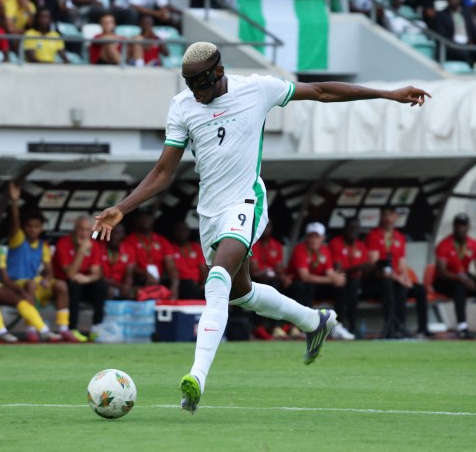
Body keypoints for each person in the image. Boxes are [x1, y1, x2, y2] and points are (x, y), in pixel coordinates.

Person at [91, 41, 430, 413]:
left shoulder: (256, 89)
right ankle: (313, 321)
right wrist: (121, 208)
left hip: (247, 202)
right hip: (211, 212)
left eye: (200, 85)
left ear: (218, 73)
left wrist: (387, 94)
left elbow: (321, 91)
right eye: (189, 85)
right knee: (240, 292)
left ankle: (196, 378)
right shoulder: (183, 107)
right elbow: (162, 172)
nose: (195, 93)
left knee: (217, 280)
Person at [6, 182, 78, 342]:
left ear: (41, 228)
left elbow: (49, 270)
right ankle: (31, 329)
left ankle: (63, 328)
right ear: (25, 228)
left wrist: (46, 278)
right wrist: (15, 202)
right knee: (31, 284)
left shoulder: (43, 245)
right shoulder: (18, 240)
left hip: (34, 284)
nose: (33, 229)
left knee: (60, 285)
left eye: (36, 226)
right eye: (30, 226)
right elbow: (15, 224)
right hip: (16, 284)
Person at [0, 220, 60, 342]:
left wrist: (21, 291)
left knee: (20, 298)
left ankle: (43, 330)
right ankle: (1, 331)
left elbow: (5, 278)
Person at [367, 206, 431, 339]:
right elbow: (375, 263)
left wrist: (406, 277)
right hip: (379, 279)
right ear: (381, 217)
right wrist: (398, 278)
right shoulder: (374, 235)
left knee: (420, 290)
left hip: (396, 279)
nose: (388, 219)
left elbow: (402, 263)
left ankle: (423, 328)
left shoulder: (399, 237)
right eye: (385, 215)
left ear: (396, 217)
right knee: (395, 286)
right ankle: (394, 327)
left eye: (391, 215)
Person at [433, 213, 476, 339]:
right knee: (460, 287)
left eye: (463, 225)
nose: (460, 229)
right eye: (458, 225)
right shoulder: (444, 244)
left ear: (468, 227)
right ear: (454, 226)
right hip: (445, 279)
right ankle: (462, 326)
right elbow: (441, 271)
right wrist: (461, 278)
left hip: (464, 276)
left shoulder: (473, 244)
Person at [288, 222, 351, 339]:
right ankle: (304, 326)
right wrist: (331, 280)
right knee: (304, 285)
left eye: (317, 236)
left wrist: (337, 278)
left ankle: (338, 324)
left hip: (316, 286)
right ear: (306, 237)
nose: (313, 240)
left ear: (323, 238)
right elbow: (304, 276)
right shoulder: (300, 249)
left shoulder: (324, 250)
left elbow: (330, 273)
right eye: (311, 236)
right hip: (297, 288)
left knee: (340, 286)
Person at [53, 216, 108, 340]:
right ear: (75, 229)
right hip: (64, 286)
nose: (84, 233)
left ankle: (96, 327)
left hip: (84, 282)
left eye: (87, 230)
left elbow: (96, 272)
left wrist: (86, 279)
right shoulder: (64, 243)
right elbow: (70, 274)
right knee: (73, 285)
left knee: (101, 285)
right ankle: (72, 329)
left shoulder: (94, 244)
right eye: (81, 229)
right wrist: (81, 251)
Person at [328, 217, 372, 338]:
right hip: (337, 284)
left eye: (357, 228)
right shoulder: (336, 243)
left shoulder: (361, 246)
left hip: (358, 282)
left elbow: (366, 268)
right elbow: (339, 270)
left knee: (355, 284)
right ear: (345, 229)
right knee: (346, 284)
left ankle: (353, 327)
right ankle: (340, 326)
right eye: (351, 228)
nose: (354, 231)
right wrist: (359, 267)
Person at [122, 209, 179, 293]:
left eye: (148, 218)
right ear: (136, 221)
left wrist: (175, 284)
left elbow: (171, 266)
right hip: (140, 278)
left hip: (159, 277)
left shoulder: (161, 240)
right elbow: (130, 266)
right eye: (142, 218)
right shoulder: (129, 240)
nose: (145, 220)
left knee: (183, 284)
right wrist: (146, 274)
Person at [172, 220, 208, 299]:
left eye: (185, 229)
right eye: (179, 229)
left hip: (196, 285)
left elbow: (203, 268)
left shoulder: (196, 247)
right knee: (189, 285)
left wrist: (204, 285)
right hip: (181, 284)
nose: (182, 232)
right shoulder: (170, 247)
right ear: (174, 231)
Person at [100, 224, 136, 300]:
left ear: (123, 235)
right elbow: (99, 276)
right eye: (112, 232)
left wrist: (127, 286)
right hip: (103, 284)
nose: (114, 235)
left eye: (118, 233)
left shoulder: (129, 249)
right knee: (108, 290)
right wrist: (119, 286)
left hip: (120, 284)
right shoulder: (99, 247)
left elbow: (129, 274)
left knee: (132, 292)